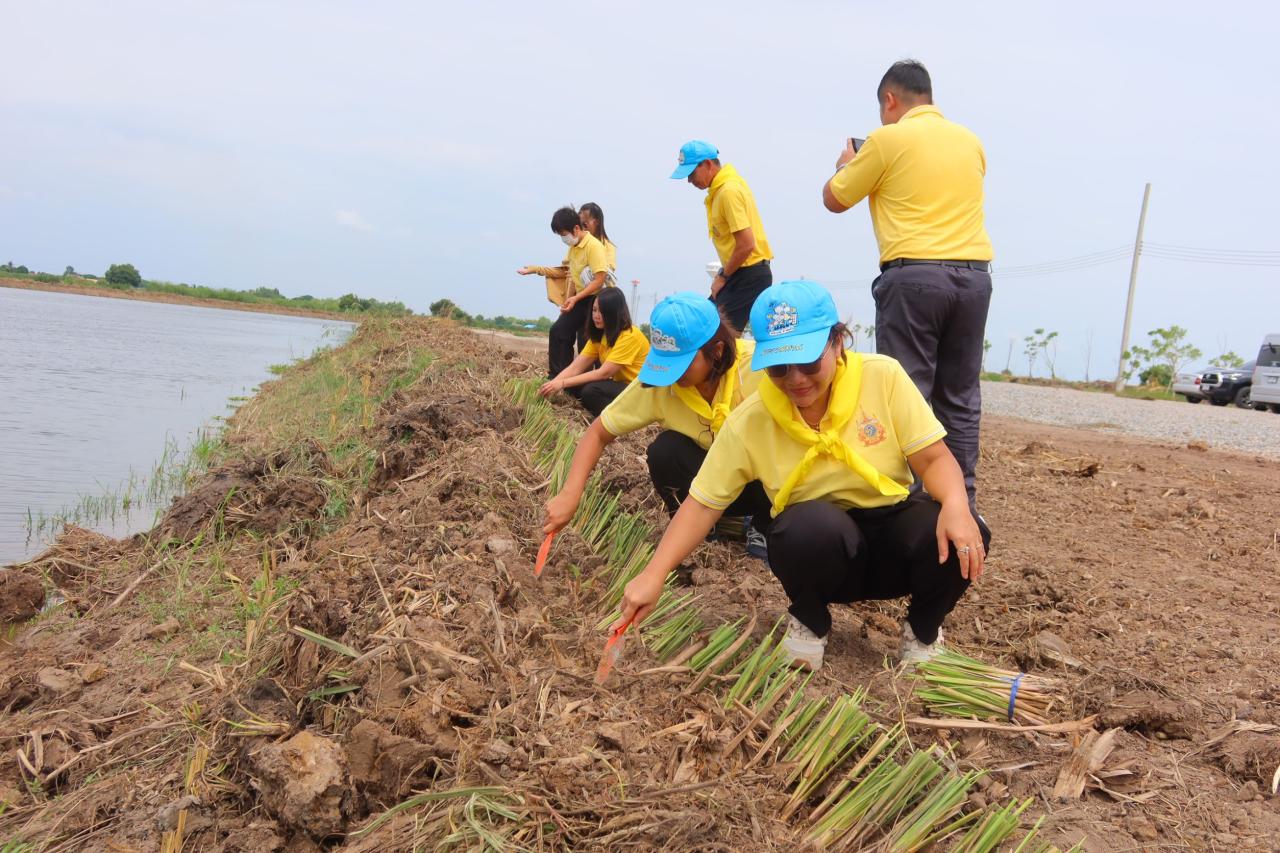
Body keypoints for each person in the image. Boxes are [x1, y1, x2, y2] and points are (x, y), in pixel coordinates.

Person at [615, 280, 990, 671]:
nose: (795, 379)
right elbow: (703, 504)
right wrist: (654, 574)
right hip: (820, 552)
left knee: (966, 528)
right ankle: (810, 619)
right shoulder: (752, 419)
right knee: (803, 527)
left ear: (838, 343)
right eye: (778, 367)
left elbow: (932, 459)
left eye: (809, 361)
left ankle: (923, 630)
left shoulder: (883, 377)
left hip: (893, 535)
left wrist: (957, 504)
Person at [821, 60, 993, 509]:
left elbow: (835, 200)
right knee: (959, 397)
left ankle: (911, 505)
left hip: (914, 278)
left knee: (907, 393)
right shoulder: (971, 142)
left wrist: (846, 165)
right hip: (974, 279)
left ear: (891, 100)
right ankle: (962, 506)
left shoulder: (887, 139)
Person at [543, 293, 771, 559]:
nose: (671, 374)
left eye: (681, 364)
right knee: (666, 451)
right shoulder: (661, 383)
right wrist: (571, 494)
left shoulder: (759, 368)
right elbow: (598, 432)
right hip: (711, 485)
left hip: (762, 484)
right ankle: (698, 526)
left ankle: (764, 524)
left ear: (717, 351)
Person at [670, 140, 774, 333]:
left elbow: (746, 244)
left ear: (708, 164)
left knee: (717, 338)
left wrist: (723, 277)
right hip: (738, 273)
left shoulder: (728, 191)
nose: (689, 180)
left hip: (749, 275)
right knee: (704, 323)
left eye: (691, 173)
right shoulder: (720, 191)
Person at [518, 206, 610, 379]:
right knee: (558, 331)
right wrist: (536, 269)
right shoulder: (573, 247)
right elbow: (563, 271)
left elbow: (599, 280)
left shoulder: (594, 247)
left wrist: (575, 298)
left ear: (576, 228)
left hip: (596, 300)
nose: (563, 238)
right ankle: (557, 377)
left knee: (592, 344)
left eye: (563, 234)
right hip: (581, 299)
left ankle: (588, 382)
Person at [539, 287, 649, 417]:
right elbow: (575, 367)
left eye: (602, 312)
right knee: (571, 384)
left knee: (591, 391)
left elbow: (604, 373)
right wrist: (552, 385)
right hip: (619, 385)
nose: (596, 316)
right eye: (594, 310)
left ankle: (615, 419)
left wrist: (562, 383)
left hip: (638, 391)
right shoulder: (599, 336)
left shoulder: (630, 336)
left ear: (614, 313)